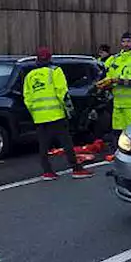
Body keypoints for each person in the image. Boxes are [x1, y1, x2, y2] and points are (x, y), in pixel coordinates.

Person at [23, 47, 93, 180]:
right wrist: (70, 111)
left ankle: (47, 171)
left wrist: (34, 113)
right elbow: (62, 93)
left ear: (37, 60)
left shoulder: (30, 76)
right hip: (56, 114)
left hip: (39, 117)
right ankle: (76, 168)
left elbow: (27, 98)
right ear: (50, 59)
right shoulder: (55, 71)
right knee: (66, 142)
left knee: (43, 145)